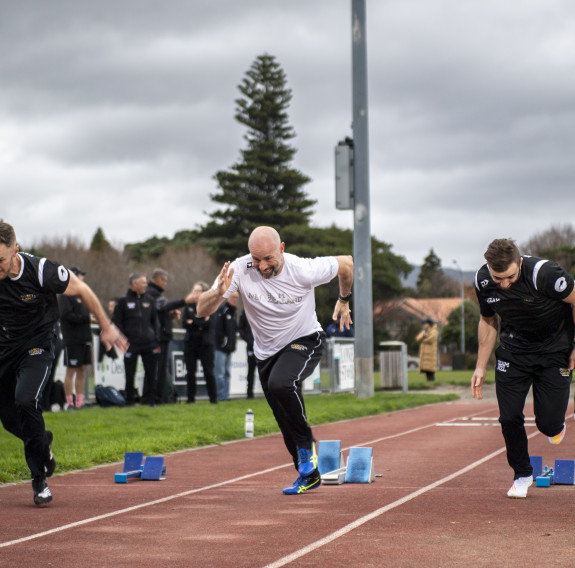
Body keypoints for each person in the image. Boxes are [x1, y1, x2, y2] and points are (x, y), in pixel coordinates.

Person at [197, 226, 353, 495]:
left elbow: (347, 263)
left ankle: (307, 447)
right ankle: (309, 474)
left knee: (281, 383)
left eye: (268, 258)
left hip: (305, 339)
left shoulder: (303, 268)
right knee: (282, 416)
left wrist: (343, 299)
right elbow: (202, 309)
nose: (262, 266)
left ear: (282, 248)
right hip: (266, 352)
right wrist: (217, 292)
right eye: (256, 259)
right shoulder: (239, 269)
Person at [0, 220, 127, 506]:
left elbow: (83, 290)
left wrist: (106, 326)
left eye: (0, 261)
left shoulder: (42, 270)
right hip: (5, 348)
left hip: (38, 345)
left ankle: (39, 479)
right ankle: (42, 442)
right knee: (9, 419)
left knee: (26, 400)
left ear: (15, 251)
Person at [471, 238, 575, 499]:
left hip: (554, 351)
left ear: (519, 263)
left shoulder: (545, 274)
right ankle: (522, 474)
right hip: (513, 351)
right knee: (508, 417)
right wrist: (480, 366)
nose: (503, 284)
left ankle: (555, 425)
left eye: (509, 277)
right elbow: (488, 321)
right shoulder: (482, 281)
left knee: (548, 425)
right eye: (498, 278)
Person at [113, 272, 160, 406]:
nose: (146, 285)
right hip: (131, 344)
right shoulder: (123, 301)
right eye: (143, 283)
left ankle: (150, 400)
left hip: (149, 343)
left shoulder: (150, 300)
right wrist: (123, 339)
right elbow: (118, 322)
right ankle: (129, 401)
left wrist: (155, 338)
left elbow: (155, 321)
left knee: (151, 373)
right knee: (129, 374)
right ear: (134, 284)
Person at [146, 268, 190, 404]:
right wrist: (185, 301)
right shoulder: (151, 293)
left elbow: (160, 312)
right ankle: (154, 398)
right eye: (164, 280)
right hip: (158, 338)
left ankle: (159, 397)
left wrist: (170, 316)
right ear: (157, 280)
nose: (165, 283)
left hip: (163, 337)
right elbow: (163, 306)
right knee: (156, 369)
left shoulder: (157, 293)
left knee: (161, 369)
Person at [58, 267, 93, 409]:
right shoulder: (65, 294)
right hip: (72, 339)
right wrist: (87, 317)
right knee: (71, 370)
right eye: (80, 275)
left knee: (83, 369)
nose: (82, 278)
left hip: (85, 338)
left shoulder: (83, 295)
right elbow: (66, 316)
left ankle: (79, 402)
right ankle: (69, 403)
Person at [181, 281, 218, 404]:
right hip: (190, 343)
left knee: (208, 371)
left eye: (198, 291)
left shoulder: (211, 306)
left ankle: (213, 399)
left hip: (206, 344)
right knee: (190, 372)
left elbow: (209, 324)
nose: (195, 293)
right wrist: (199, 323)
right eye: (194, 291)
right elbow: (184, 324)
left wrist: (194, 322)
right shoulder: (188, 307)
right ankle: (190, 399)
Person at [213, 291, 239, 401]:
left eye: (237, 298)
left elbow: (234, 330)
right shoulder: (222, 310)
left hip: (229, 348)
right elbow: (217, 328)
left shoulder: (234, 312)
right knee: (219, 373)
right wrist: (222, 342)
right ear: (228, 297)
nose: (235, 299)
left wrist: (232, 344)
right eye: (233, 297)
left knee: (227, 373)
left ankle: (226, 395)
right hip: (220, 348)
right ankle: (220, 396)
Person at [238, 309, 257, 398]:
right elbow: (240, 327)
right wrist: (248, 340)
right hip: (251, 346)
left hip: (264, 346)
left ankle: (269, 393)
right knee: (251, 370)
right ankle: (249, 393)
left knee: (266, 370)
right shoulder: (245, 310)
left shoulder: (263, 307)